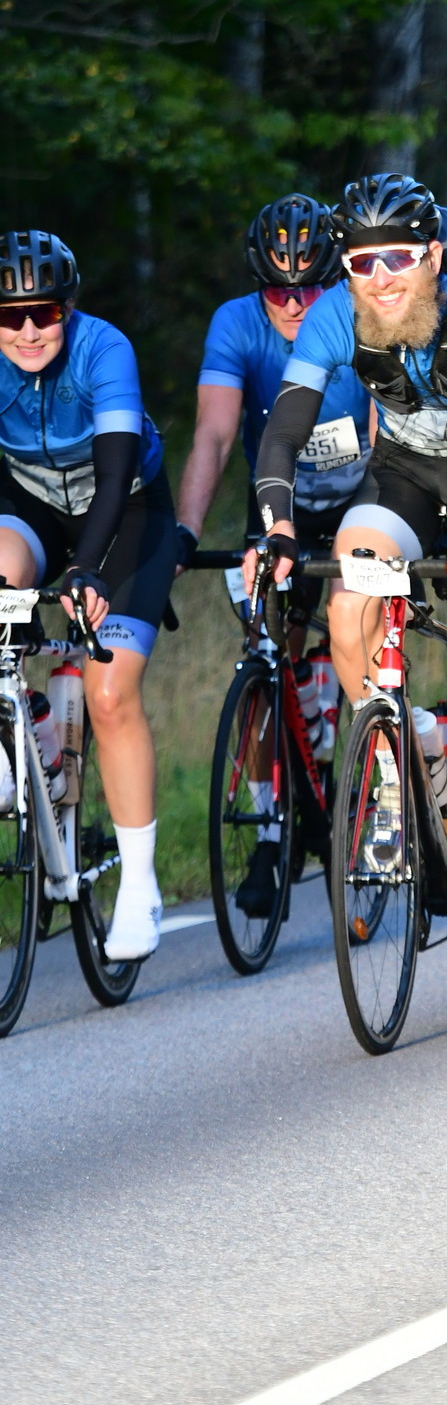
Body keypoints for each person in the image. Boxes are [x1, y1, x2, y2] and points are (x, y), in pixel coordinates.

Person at [248, 173, 447, 933]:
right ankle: (395, 774)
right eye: (362, 262)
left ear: (433, 258)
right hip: (405, 477)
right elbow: (281, 437)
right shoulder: (332, 317)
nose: (380, 279)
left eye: (399, 259)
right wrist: (278, 526)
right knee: (349, 605)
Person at [176, 194, 373, 917]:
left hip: (360, 493)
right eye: (276, 290)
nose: (292, 304)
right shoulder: (236, 324)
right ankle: (269, 824)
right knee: (264, 648)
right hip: (280, 501)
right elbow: (214, 435)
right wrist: (185, 533)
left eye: (308, 289)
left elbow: (387, 430)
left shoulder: (361, 314)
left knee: (356, 626)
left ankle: (365, 776)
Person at [0, 230, 176, 959]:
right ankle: (22, 722)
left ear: (67, 310)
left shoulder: (105, 349)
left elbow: (113, 474)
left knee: (108, 692)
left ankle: (139, 885)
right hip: (33, 507)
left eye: (44, 313)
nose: (28, 331)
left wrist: (86, 570)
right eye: (10, 317)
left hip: (127, 508)